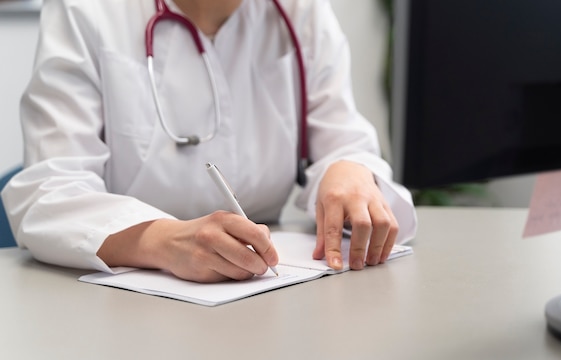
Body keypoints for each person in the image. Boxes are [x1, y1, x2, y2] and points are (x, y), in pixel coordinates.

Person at [1, 0, 417, 283]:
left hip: (265, 301)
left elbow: (345, 141)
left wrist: (348, 170)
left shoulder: (298, 10)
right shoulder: (86, 10)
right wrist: (161, 241)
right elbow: (48, 192)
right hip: (118, 310)